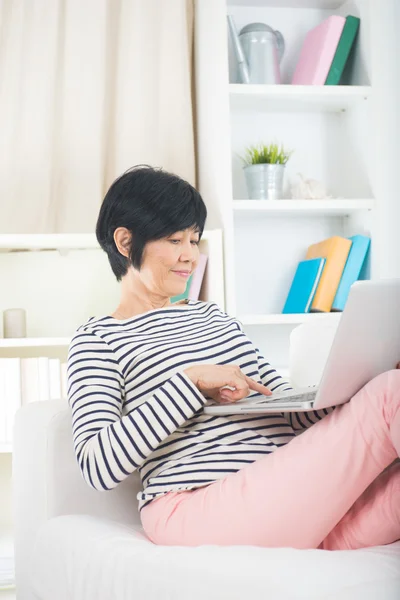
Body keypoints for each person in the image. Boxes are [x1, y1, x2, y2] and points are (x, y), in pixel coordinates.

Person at [67, 165, 400, 551]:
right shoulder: (98, 338)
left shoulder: (214, 318)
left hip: (289, 500)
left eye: (194, 240)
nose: (190, 256)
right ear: (125, 242)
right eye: (176, 240)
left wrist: (358, 380)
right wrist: (190, 383)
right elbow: (97, 465)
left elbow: (290, 413)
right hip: (193, 505)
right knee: (391, 395)